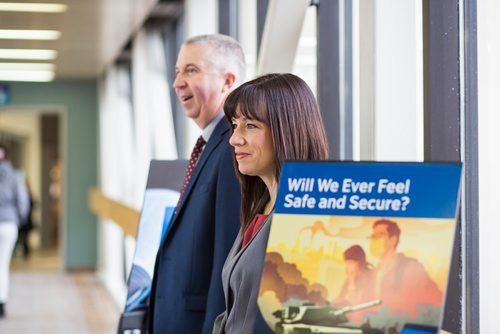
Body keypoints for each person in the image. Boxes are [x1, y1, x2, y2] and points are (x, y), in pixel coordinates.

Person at [212, 73, 329, 334]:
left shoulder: (309, 221)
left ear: (288, 130)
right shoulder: (260, 205)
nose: (234, 139)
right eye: (234, 124)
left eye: (251, 126)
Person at [148, 34, 245, 334]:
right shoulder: (208, 145)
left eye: (191, 70)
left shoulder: (234, 147)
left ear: (227, 82)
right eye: (177, 72)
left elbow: (225, 258)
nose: (177, 83)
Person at [369, 219, 442, 317]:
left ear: (393, 240)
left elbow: (437, 301)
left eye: (379, 235)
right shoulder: (373, 273)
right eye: (372, 236)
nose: (373, 240)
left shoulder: (411, 268)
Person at [0, 144, 30, 318]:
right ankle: (1, 303)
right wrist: (18, 220)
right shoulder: (15, 176)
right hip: (9, 224)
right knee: (3, 264)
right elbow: (23, 201)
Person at [333, 245, 375, 324]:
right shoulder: (350, 279)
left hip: (362, 320)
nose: (347, 266)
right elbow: (339, 299)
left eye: (350, 263)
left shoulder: (369, 277)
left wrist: (351, 282)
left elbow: (357, 304)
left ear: (359, 262)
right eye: (346, 263)